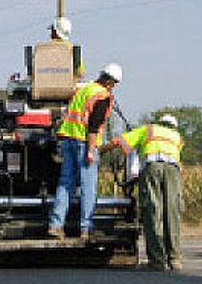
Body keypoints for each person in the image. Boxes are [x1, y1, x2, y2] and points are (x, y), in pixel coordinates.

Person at [100, 114, 184, 271]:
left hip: (152, 169)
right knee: (172, 212)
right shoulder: (177, 137)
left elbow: (118, 141)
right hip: (173, 171)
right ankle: (175, 259)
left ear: (159, 123)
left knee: (152, 212)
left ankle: (157, 261)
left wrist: (99, 151)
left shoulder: (148, 130)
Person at [48, 63, 123, 240]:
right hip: (84, 143)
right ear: (111, 82)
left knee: (65, 183)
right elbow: (94, 126)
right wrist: (91, 150)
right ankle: (86, 228)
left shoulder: (83, 89)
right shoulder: (102, 96)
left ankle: (55, 225)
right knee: (88, 187)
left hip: (68, 139)